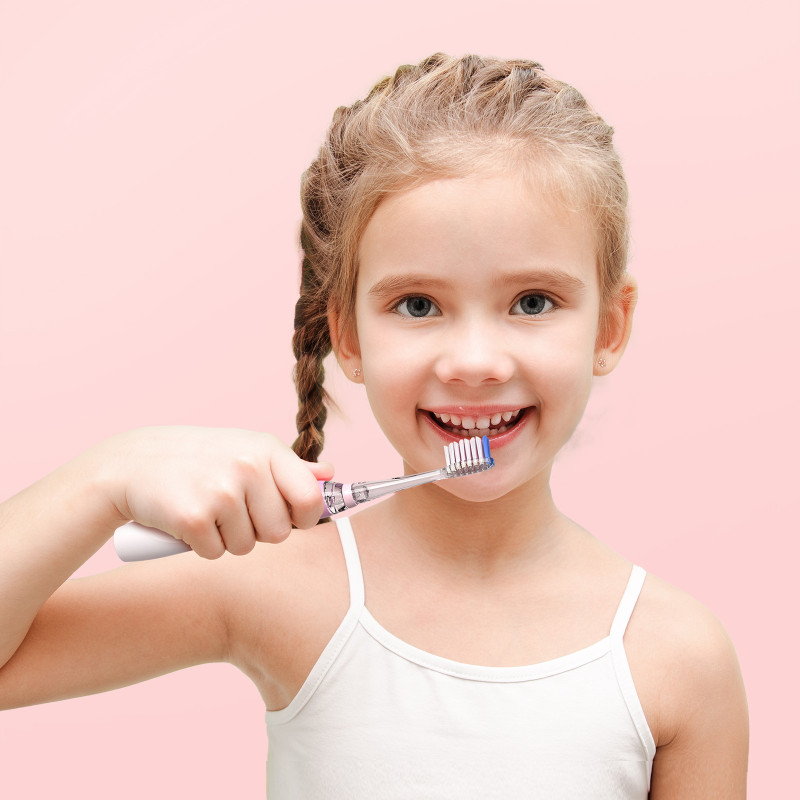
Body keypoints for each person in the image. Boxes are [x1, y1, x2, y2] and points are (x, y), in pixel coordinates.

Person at [0, 53, 748, 797]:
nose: (476, 362)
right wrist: (105, 478)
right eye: (418, 305)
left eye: (532, 302)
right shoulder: (276, 589)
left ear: (610, 327)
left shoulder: (678, 659)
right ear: (349, 339)